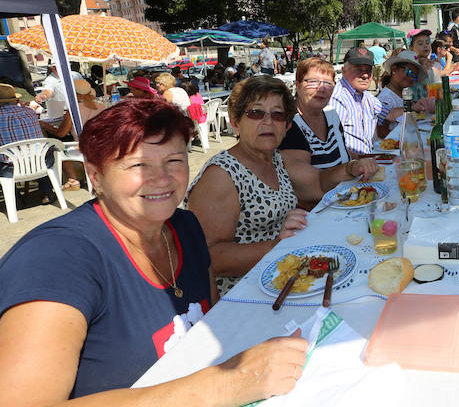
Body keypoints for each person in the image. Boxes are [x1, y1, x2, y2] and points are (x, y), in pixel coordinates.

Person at [0, 99, 308, 403]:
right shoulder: (56, 260)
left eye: (174, 160)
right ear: (95, 177)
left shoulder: (185, 226)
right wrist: (227, 384)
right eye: (137, 164)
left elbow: (213, 323)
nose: (161, 179)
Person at [188, 77, 311, 294]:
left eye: (277, 114)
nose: (268, 122)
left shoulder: (274, 159)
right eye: (256, 113)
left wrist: (351, 168)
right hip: (241, 296)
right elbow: (209, 257)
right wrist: (276, 246)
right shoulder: (221, 176)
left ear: (287, 125)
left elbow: (316, 183)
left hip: (279, 280)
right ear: (235, 122)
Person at [278, 58, 378, 198]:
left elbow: (342, 153)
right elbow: (308, 187)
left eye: (328, 83)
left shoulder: (330, 113)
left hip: (349, 193)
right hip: (322, 207)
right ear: (298, 85)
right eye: (313, 82)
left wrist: (371, 160)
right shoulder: (290, 125)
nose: (322, 88)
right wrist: (351, 168)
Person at [0, 83, 54, 202]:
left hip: (11, 168)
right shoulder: (29, 112)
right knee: (39, 152)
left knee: (6, 158)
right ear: (16, 100)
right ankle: (46, 193)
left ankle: (14, 199)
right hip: (40, 163)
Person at [329, 47, 382, 156]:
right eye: (358, 70)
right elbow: (334, 144)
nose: (365, 75)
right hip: (351, 166)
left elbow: (388, 114)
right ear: (343, 71)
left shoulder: (366, 96)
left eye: (368, 71)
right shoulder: (338, 98)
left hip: (368, 159)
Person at [375, 51, 426, 138]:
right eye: (409, 72)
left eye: (414, 76)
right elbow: (382, 133)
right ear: (394, 69)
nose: (411, 78)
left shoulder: (404, 93)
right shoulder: (385, 99)